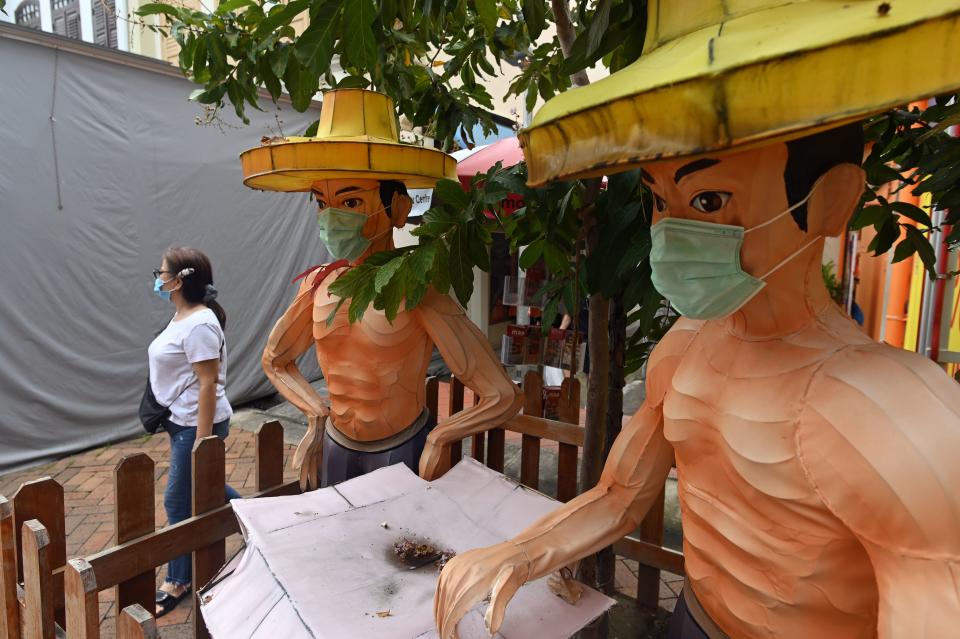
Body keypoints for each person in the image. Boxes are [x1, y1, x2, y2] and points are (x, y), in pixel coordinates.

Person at [433, 2, 960, 638]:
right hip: (691, 619)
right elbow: (621, 495)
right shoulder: (682, 354)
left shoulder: (898, 413)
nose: (672, 231)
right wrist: (519, 553)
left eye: (709, 200)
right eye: (661, 201)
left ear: (830, 201)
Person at [242, 88, 522, 489]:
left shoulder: (416, 289)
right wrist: (314, 414)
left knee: (398, 548)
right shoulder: (317, 285)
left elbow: (502, 395)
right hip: (336, 445)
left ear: (399, 209)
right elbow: (275, 359)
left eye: (352, 202)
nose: (331, 217)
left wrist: (443, 436)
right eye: (322, 203)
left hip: (403, 449)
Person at [148, 246, 240, 617]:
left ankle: (178, 579)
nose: (158, 277)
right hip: (182, 419)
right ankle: (261, 519)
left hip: (195, 424)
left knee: (176, 501)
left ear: (180, 279)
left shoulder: (200, 323)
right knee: (207, 488)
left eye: (163, 272)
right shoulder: (183, 316)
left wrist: (202, 441)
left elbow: (208, 383)